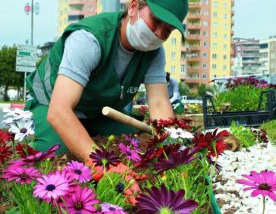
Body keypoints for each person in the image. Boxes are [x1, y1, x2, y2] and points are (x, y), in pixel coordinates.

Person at [25, 0, 189, 162]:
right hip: (48, 103)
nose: (159, 33)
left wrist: (173, 149)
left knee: (136, 143)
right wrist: (101, 164)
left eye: (168, 31)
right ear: (133, 7)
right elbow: (59, 112)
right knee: (57, 154)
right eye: (156, 21)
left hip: (96, 113)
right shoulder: (89, 39)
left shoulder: (154, 53)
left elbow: (159, 102)